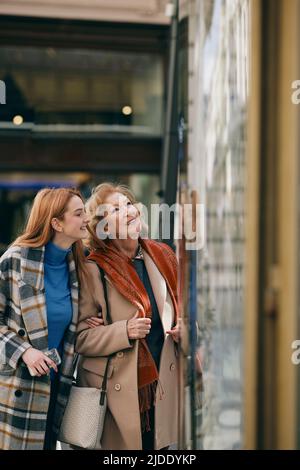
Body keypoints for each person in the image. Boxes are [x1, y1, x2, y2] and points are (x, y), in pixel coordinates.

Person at [75, 183, 181, 450]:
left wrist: (185, 329)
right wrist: (124, 331)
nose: (129, 211)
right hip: (117, 397)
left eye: (129, 204)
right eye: (116, 209)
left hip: (163, 390)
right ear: (105, 228)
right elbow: (80, 338)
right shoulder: (93, 269)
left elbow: (192, 312)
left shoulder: (163, 256)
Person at [0, 187, 102, 450]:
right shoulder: (15, 260)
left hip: (59, 384)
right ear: (56, 222)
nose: (86, 219)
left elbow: (67, 318)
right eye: (79, 214)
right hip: (18, 387)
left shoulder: (77, 265)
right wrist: (25, 352)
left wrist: (88, 322)